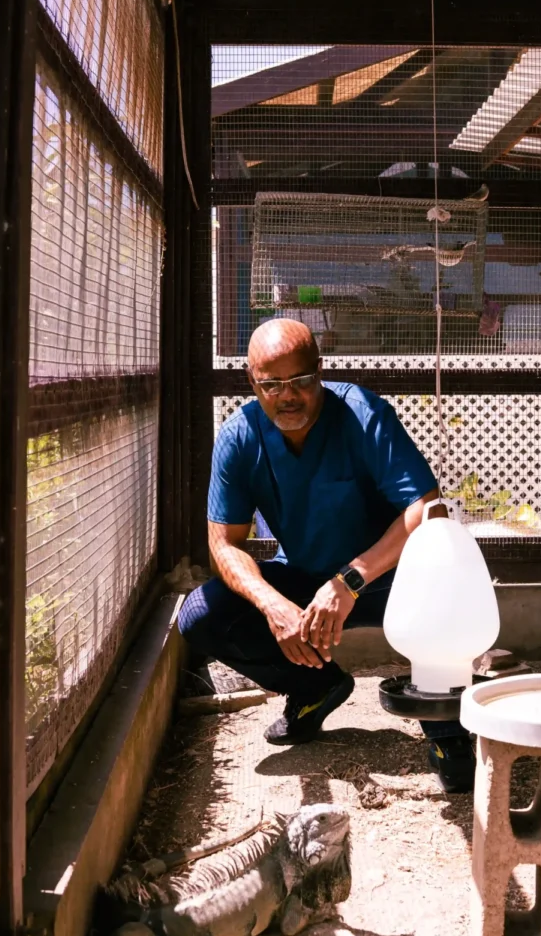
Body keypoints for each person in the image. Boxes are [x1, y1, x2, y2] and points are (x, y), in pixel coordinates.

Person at [177, 318, 476, 792]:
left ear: (320, 370)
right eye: (271, 384)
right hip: (304, 583)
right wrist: (273, 605)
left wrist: (349, 581)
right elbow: (223, 544)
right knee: (201, 615)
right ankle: (314, 687)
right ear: (252, 381)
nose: (287, 395)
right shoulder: (239, 435)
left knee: (444, 582)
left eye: (300, 380)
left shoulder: (361, 412)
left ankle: (447, 729)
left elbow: (428, 508)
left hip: (387, 578)